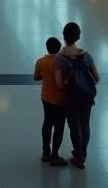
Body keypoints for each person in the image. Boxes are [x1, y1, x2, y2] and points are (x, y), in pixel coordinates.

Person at [54, 22, 100, 169]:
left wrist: (70, 81)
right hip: (86, 97)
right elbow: (97, 78)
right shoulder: (87, 56)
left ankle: (78, 155)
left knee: (75, 127)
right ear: (78, 37)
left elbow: (60, 84)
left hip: (72, 98)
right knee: (85, 124)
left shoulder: (60, 58)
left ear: (64, 36)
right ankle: (83, 154)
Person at [33, 36, 67, 166]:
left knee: (47, 123)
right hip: (60, 99)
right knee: (59, 126)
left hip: (46, 97)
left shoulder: (41, 61)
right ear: (59, 49)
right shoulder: (62, 62)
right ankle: (55, 154)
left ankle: (45, 152)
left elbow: (36, 77)